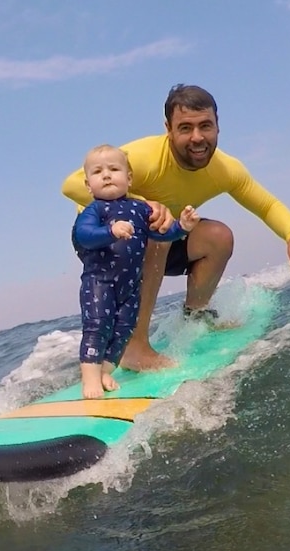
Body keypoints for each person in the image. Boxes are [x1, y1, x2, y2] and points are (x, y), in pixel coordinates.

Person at [62, 84, 290, 372]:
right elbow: (72, 185)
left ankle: (196, 316)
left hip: (162, 233)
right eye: (185, 128)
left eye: (205, 126)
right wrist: (142, 205)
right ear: (169, 129)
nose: (197, 137)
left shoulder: (226, 169)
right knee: (158, 232)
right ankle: (134, 347)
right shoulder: (144, 156)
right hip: (105, 239)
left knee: (218, 237)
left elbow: (265, 204)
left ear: (217, 126)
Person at [73, 144, 201, 399]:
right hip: (100, 282)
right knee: (98, 326)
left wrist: (183, 227)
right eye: (98, 172)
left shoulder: (140, 210)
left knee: (124, 329)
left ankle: (106, 371)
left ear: (129, 178)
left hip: (131, 285)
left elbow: (161, 234)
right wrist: (110, 231)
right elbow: (83, 235)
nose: (107, 175)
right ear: (88, 186)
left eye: (113, 169)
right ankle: (90, 380)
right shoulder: (95, 211)